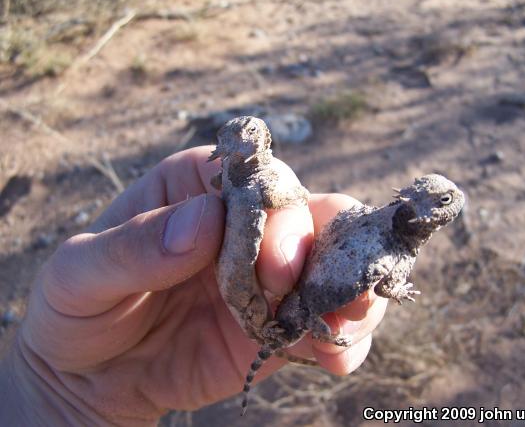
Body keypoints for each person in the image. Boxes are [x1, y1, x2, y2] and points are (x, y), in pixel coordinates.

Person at [0, 146, 388, 425]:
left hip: (246, 296)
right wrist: (54, 390)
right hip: (239, 291)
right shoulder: (217, 186)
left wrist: (61, 397)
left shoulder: (242, 177)